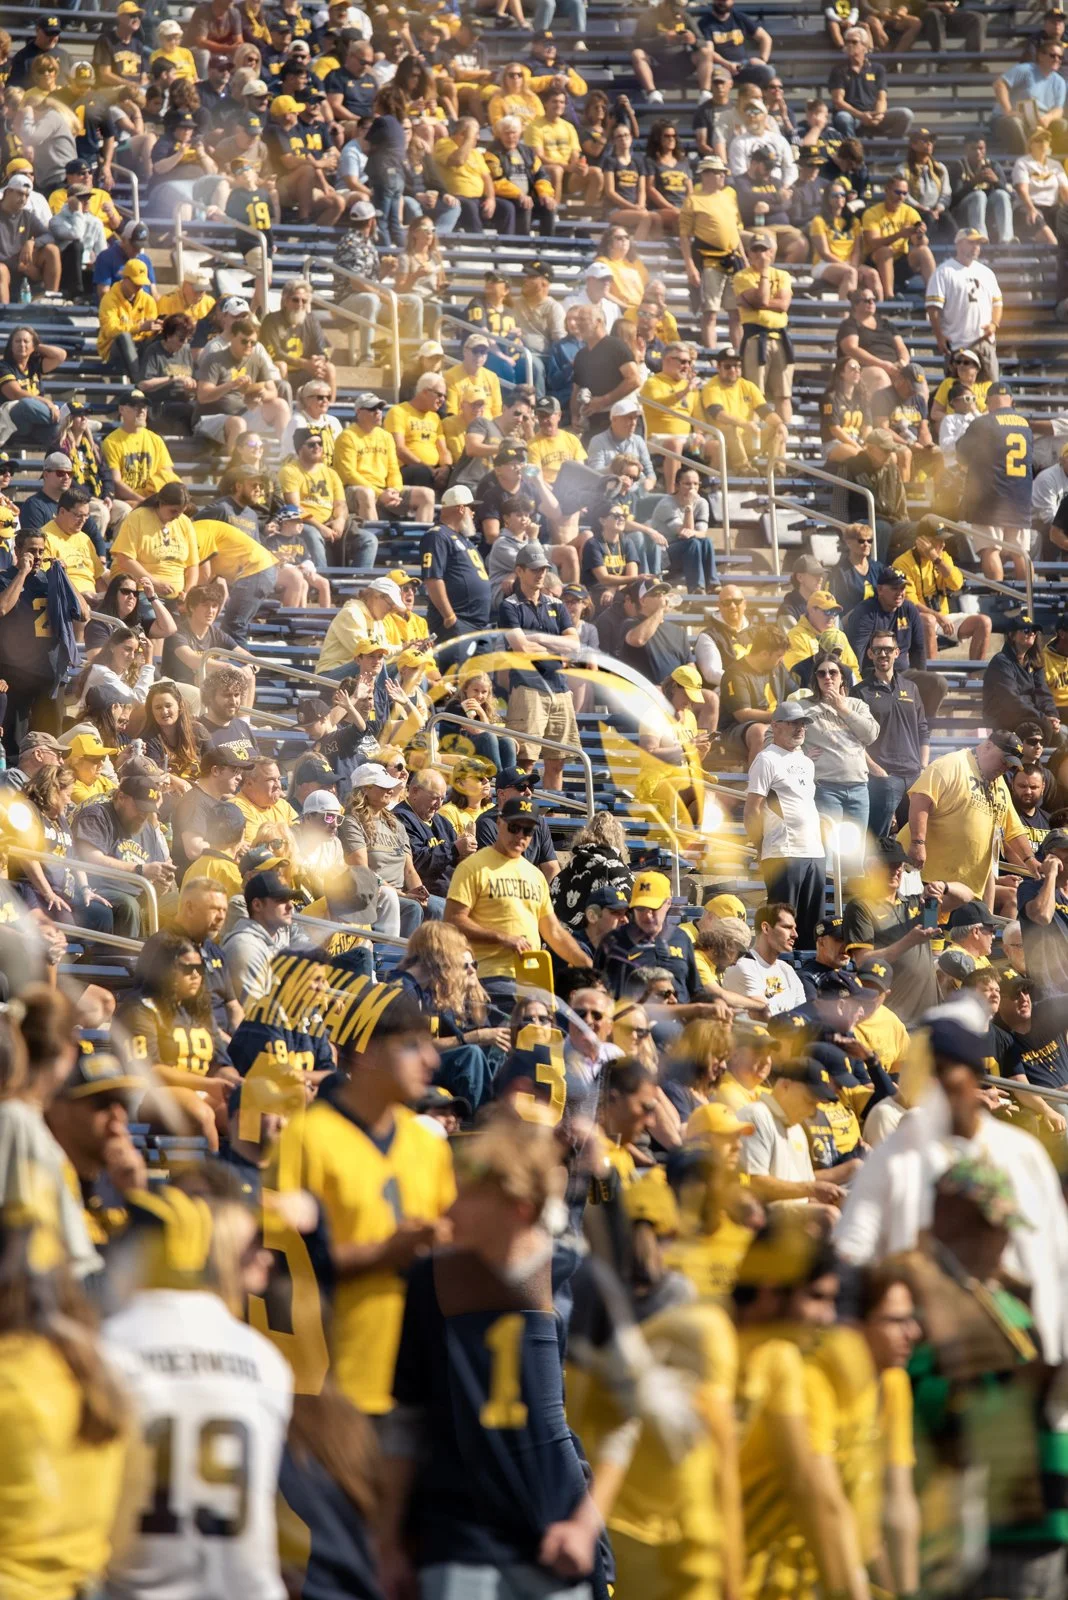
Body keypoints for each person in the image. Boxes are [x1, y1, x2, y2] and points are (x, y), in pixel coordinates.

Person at [382, 1118, 603, 1600]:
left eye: (468, 1194)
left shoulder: (578, 1277)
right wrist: (388, 1538)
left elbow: (621, 1422)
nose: (450, 1206)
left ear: (518, 1208)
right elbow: (408, 1421)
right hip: (460, 1535)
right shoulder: (430, 1279)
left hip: (557, 1531)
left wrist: (587, 1525)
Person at [445, 799, 592, 1015]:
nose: (521, 835)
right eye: (514, 827)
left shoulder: (535, 875)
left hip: (532, 979)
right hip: (488, 977)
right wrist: (502, 938)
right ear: (499, 823)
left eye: (528, 830)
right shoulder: (473, 867)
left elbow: (553, 932)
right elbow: (452, 921)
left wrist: (586, 964)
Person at [900, 732, 1041, 898]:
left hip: (965, 887)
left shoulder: (999, 783)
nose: (1005, 768)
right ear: (988, 746)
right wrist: (917, 842)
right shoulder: (952, 764)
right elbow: (921, 798)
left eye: (1010, 765)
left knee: (957, 924)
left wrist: (1030, 861)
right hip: (926, 874)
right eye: (1003, 761)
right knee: (923, 922)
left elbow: (1013, 829)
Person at [498, 544, 579, 795]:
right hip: (528, 687)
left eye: (543, 568)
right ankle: (523, 809)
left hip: (559, 688)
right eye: (534, 569)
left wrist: (539, 640)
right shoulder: (509, 606)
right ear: (519, 571)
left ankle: (552, 819)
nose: (540, 573)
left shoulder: (556, 604)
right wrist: (557, 648)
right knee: (526, 759)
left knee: (558, 761)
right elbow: (520, 647)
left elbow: (575, 646)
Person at [744, 702, 827, 946]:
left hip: (814, 851)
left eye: (803, 723)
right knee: (782, 925)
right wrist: (761, 847)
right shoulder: (766, 759)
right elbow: (752, 809)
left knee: (813, 927)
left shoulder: (805, 761)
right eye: (793, 722)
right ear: (776, 725)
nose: (800, 728)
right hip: (783, 852)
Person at [851, 630, 930, 838]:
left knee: (912, 841)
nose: (883, 654)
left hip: (914, 775)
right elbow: (854, 740)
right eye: (877, 650)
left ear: (897, 652)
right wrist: (876, 770)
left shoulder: (911, 688)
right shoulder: (860, 691)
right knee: (877, 842)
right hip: (883, 779)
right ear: (870, 654)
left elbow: (923, 729)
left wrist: (923, 767)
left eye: (888, 649)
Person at [956, 384, 1034, 583]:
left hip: (989, 497)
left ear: (988, 401)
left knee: (990, 550)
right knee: (1020, 553)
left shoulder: (983, 423)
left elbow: (962, 456)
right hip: (1020, 498)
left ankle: (998, 594)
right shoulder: (1025, 425)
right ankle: (1029, 600)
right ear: (1011, 400)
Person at [803, 650, 880, 842]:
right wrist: (800, 754)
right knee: (830, 854)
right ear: (815, 679)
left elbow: (870, 735)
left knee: (855, 854)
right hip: (825, 789)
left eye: (833, 672)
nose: (827, 677)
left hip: (859, 788)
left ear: (842, 678)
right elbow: (773, 734)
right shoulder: (803, 708)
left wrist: (842, 709)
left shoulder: (857, 705)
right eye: (822, 673)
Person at [732, 230, 794, 424]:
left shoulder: (783, 275)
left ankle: (784, 440)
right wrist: (765, 273)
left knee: (783, 395)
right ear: (749, 254)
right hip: (755, 338)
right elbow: (762, 299)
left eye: (764, 250)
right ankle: (754, 440)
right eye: (755, 250)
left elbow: (783, 304)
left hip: (780, 338)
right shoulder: (742, 276)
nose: (760, 255)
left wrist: (760, 302)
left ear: (771, 252)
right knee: (755, 393)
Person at [925, 226, 1003, 380]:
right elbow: (933, 308)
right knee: (958, 394)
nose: (976, 247)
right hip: (957, 343)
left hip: (984, 342)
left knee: (990, 391)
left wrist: (994, 323)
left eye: (978, 243)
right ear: (959, 244)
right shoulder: (944, 271)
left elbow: (997, 302)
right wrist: (939, 336)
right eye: (971, 243)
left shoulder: (986, 272)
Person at [983, 615, 1060, 741]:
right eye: (1025, 630)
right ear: (1011, 636)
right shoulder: (1001, 662)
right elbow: (1010, 699)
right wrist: (1042, 718)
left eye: (1034, 631)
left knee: (1060, 736)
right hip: (1005, 718)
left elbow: (1044, 694)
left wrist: (1052, 715)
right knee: (1043, 730)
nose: (1031, 634)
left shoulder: (1034, 663)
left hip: (1032, 718)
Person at [722, 900, 807, 1014]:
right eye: (787, 927)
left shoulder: (787, 970)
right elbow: (764, 1016)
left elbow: (804, 1015)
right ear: (766, 928)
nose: (795, 934)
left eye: (794, 928)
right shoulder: (743, 966)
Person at [861, 175, 936, 301]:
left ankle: (934, 294)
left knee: (924, 251)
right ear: (887, 190)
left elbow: (920, 243)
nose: (901, 197)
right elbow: (873, 243)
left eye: (904, 193)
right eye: (897, 192)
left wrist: (920, 234)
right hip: (876, 262)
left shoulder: (909, 212)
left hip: (900, 261)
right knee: (885, 251)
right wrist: (899, 235)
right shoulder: (872, 213)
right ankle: (889, 297)